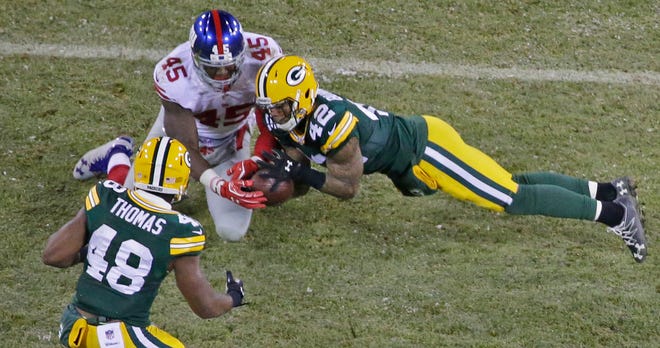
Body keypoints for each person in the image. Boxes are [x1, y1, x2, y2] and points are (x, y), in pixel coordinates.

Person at [243, 55, 647, 263]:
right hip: (419, 149)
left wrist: (302, 174)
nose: (272, 115)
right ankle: (611, 189)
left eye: (278, 108)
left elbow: (347, 188)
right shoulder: (293, 119)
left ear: (303, 99)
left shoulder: (334, 123)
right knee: (511, 181)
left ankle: (614, 214)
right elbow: (295, 160)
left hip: (427, 151)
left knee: (508, 198)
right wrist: (283, 174)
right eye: (270, 108)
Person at [73, 9, 283, 241]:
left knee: (232, 231)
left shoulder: (265, 54)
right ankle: (117, 155)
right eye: (213, 68)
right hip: (177, 140)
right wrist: (218, 185)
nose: (223, 75)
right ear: (195, 58)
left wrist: (256, 159)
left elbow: (272, 117)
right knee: (129, 214)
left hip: (232, 136)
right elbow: (184, 147)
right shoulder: (173, 74)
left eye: (230, 66)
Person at [44, 137, 246, 347]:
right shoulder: (181, 231)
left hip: (73, 326)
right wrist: (233, 297)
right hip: (117, 337)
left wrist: (91, 251)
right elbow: (206, 307)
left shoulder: (105, 195)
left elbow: (53, 255)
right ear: (182, 182)